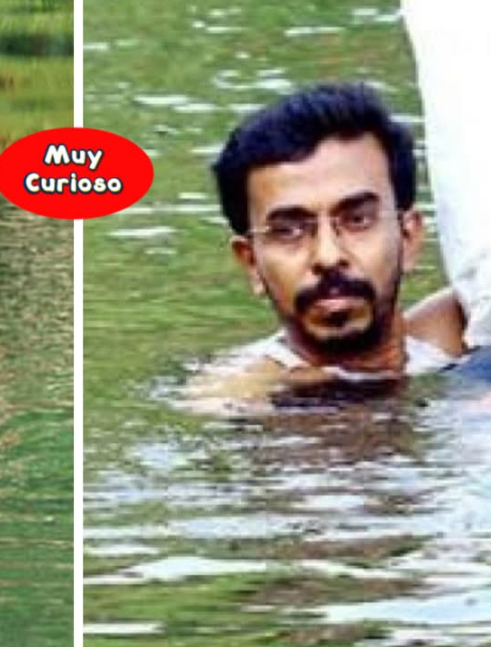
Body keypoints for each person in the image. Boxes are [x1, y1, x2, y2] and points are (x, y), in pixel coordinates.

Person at [190, 82, 466, 410]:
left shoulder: (475, 324)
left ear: (408, 237)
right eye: (289, 230)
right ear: (251, 263)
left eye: (358, 220)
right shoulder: (242, 397)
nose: (328, 256)